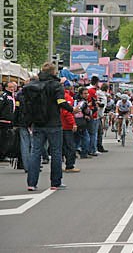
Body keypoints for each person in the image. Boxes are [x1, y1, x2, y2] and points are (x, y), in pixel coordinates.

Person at [27, 62, 80, 191]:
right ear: (53, 72)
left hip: (38, 123)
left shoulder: (33, 85)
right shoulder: (56, 85)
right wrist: (72, 110)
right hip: (53, 123)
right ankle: (55, 183)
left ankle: (31, 183)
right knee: (56, 152)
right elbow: (61, 101)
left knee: (35, 152)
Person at [60, 80, 80, 173]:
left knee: (61, 147)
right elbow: (67, 112)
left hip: (59, 125)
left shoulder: (60, 96)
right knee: (70, 147)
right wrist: (73, 123)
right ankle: (70, 165)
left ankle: (62, 164)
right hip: (66, 126)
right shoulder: (67, 97)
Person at [0, 82, 16, 161]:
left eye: (13, 87)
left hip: (9, 121)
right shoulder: (4, 96)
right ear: (5, 87)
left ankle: (4, 154)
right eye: (10, 87)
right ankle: (2, 155)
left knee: (7, 139)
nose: (12, 88)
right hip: (3, 121)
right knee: (4, 139)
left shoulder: (12, 96)